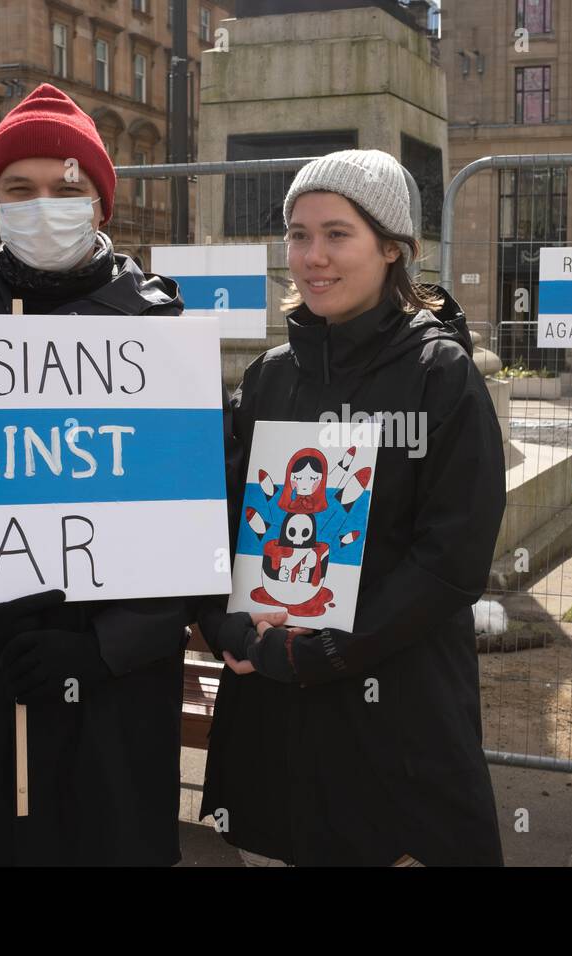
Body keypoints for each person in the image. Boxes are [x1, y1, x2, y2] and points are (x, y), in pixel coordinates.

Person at [0, 83, 254, 865]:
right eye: (18, 189)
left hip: (116, 695)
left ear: (101, 203)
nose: (43, 205)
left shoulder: (161, 329)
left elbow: (202, 522)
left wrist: (105, 648)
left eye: (66, 187)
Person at [196, 148, 508, 866]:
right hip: (276, 699)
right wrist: (229, 627)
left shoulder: (441, 375)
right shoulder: (270, 377)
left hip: (393, 705)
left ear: (392, 248)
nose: (313, 256)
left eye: (338, 234)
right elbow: (223, 521)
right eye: (299, 235)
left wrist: (331, 649)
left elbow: (452, 559)